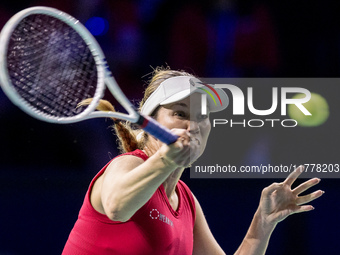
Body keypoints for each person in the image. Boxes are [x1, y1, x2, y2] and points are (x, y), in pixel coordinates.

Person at [62, 67, 324, 254]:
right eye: (179, 113)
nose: (193, 125)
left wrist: (263, 224)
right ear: (149, 123)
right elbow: (117, 206)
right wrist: (165, 159)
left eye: (202, 115)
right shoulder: (127, 165)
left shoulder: (187, 202)